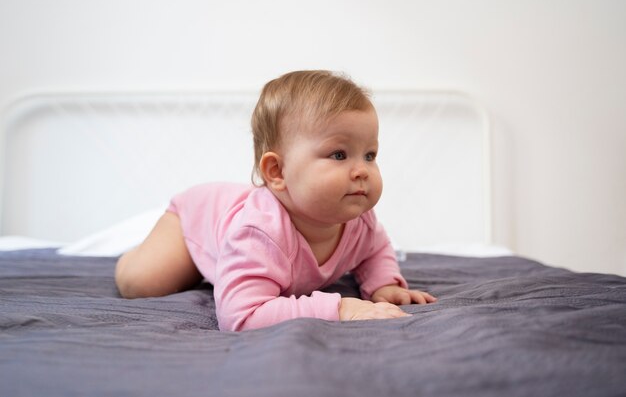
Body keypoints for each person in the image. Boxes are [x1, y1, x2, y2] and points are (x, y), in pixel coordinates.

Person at [115, 70, 436, 331]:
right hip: (193, 220)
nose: (362, 171)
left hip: (228, 213)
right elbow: (240, 315)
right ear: (277, 170)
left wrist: (383, 284)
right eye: (339, 154)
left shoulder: (359, 220)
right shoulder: (258, 232)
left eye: (370, 155)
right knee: (143, 284)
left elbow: (375, 250)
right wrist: (339, 307)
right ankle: (137, 247)